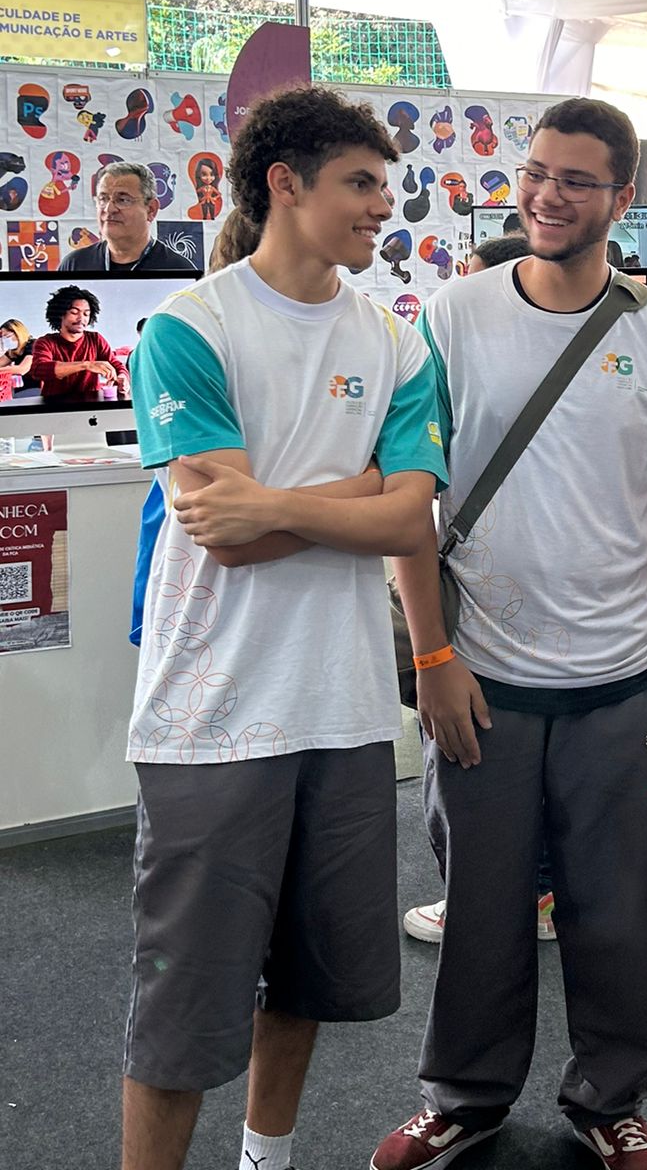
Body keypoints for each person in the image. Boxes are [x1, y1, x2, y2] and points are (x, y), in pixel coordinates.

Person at [373, 97, 647, 1170]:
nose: (548, 195)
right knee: (481, 901)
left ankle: (612, 1098)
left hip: (625, 677)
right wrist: (433, 655)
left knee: (622, 908)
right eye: (536, 173)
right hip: (484, 675)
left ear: (622, 197)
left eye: (575, 180)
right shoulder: (454, 313)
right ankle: (465, 1095)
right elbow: (409, 493)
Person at [120, 85, 448, 1170]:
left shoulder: (397, 343)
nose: (382, 207)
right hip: (210, 719)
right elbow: (228, 537)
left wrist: (284, 502)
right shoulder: (190, 329)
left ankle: (269, 1159)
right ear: (285, 185)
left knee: (306, 981)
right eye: (361, 184)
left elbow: (410, 520)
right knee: (182, 1012)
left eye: (385, 186)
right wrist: (361, 492)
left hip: (344, 714)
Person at [402, 223, 555, 948]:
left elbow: (407, 501)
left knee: (462, 759)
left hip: (486, 618)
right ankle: (538, 896)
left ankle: (486, 901)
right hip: (534, 618)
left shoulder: (463, 354)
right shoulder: (468, 345)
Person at [58, 161, 195, 273]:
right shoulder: (74, 265)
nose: (109, 209)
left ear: (151, 209)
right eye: (103, 199)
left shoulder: (180, 271)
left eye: (123, 200)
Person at [29, 285, 127, 401]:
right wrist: (86, 365)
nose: (81, 319)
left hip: (90, 406)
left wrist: (122, 377)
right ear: (60, 314)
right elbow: (39, 370)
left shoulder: (95, 339)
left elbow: (116, 364)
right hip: (55, 406)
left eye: (86, 314)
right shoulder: (45, 342)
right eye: (74, 312)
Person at [0, 317, 32, 400]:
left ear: (18, 333)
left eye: (7, 336)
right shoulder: (13, 352)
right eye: (2, 338)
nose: (5, 340)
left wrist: (3, 370)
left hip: (36, 389)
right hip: (20, 392)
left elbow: (22, 369)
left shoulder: (32, 345)